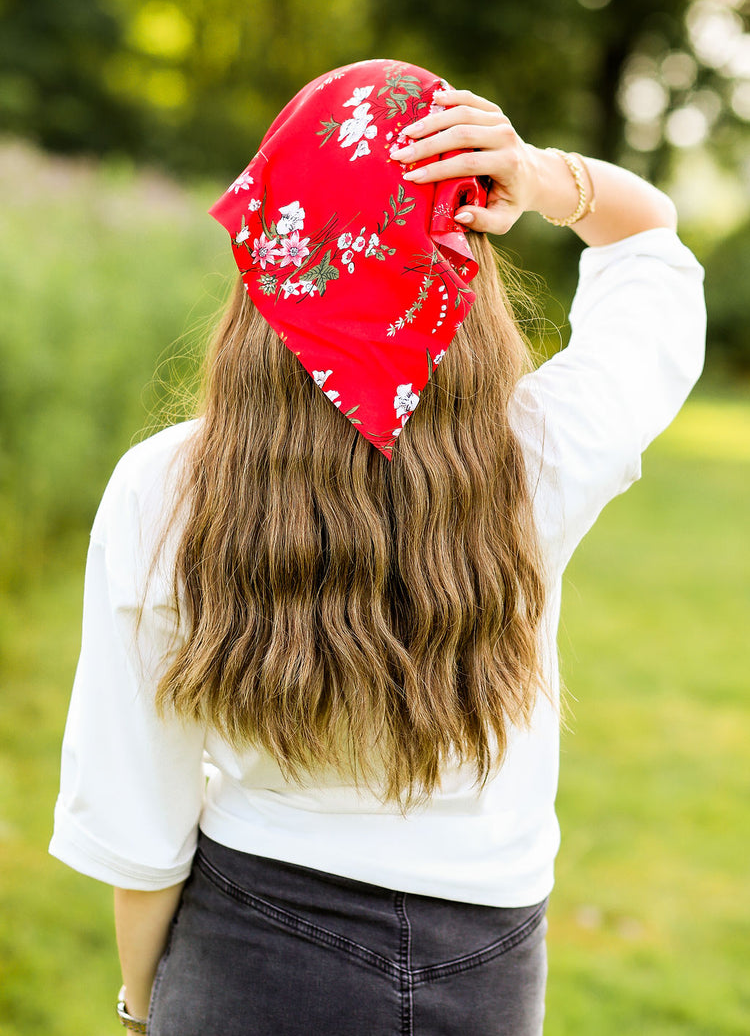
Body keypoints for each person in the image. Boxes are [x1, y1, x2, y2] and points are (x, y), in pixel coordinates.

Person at [49, 58, 706, 1036]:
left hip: (248, 952)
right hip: (488, 968)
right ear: (467, 258)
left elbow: (139, 816)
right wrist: (539, 173)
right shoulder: (542, 452)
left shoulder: (167, 486)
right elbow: (652, 244)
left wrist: (142, 1006)